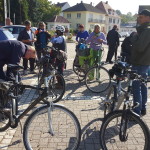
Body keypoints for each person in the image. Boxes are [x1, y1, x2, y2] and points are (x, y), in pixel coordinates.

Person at [131, 9, 150, 116]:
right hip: (144, 62)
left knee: (136, 87)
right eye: (139, 16)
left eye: (141, 16)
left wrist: (134, 38)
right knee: (143, 86)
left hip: (140, 62)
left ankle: (136, 112)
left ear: (148, 17)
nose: (139, 18)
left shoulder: (147, 30)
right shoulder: (144, 30)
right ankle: (142, 108)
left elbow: (140, 47)